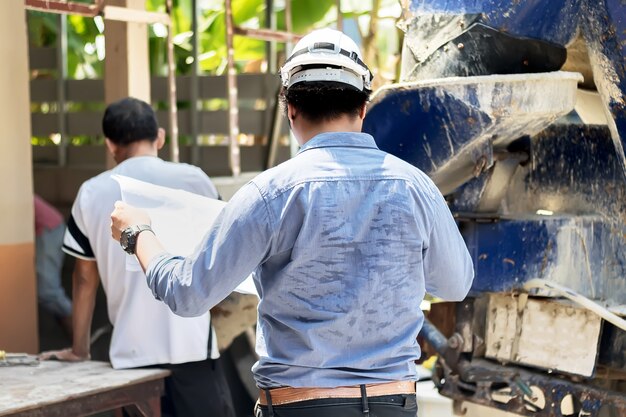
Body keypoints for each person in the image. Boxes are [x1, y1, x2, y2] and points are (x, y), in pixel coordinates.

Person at [110, 29, 474, 417]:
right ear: (364, 108)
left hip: (301, 407)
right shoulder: (416, 187)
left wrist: (138, 233)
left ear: (291, 110)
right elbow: (455, 283)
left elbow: (188, 293)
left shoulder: (269, 194)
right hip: (393, 405)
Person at [40, 97, 236, 417]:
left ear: (110, 145)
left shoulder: (91, 192)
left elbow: (84, 278)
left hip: (131, 354)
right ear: (159, 137)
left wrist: (80, 348)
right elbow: (223, 251)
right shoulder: (194, 179)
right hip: (191, 345)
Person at [34, 194, 73, 336]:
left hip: (49, 228)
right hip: (50, 227)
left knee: (47, 291)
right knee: (46, 291)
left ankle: (81, 338)